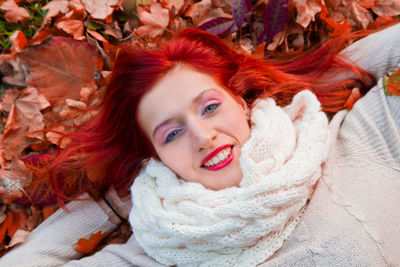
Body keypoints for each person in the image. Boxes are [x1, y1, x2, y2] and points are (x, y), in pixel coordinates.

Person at [1, 23, 399, 267]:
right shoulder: (167, 246)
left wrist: (305, 84)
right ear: (155, 160)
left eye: (210, 107)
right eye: (171, 135)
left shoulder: (352, 139)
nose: (201, 135)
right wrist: (117, 202)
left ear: (242, 102)